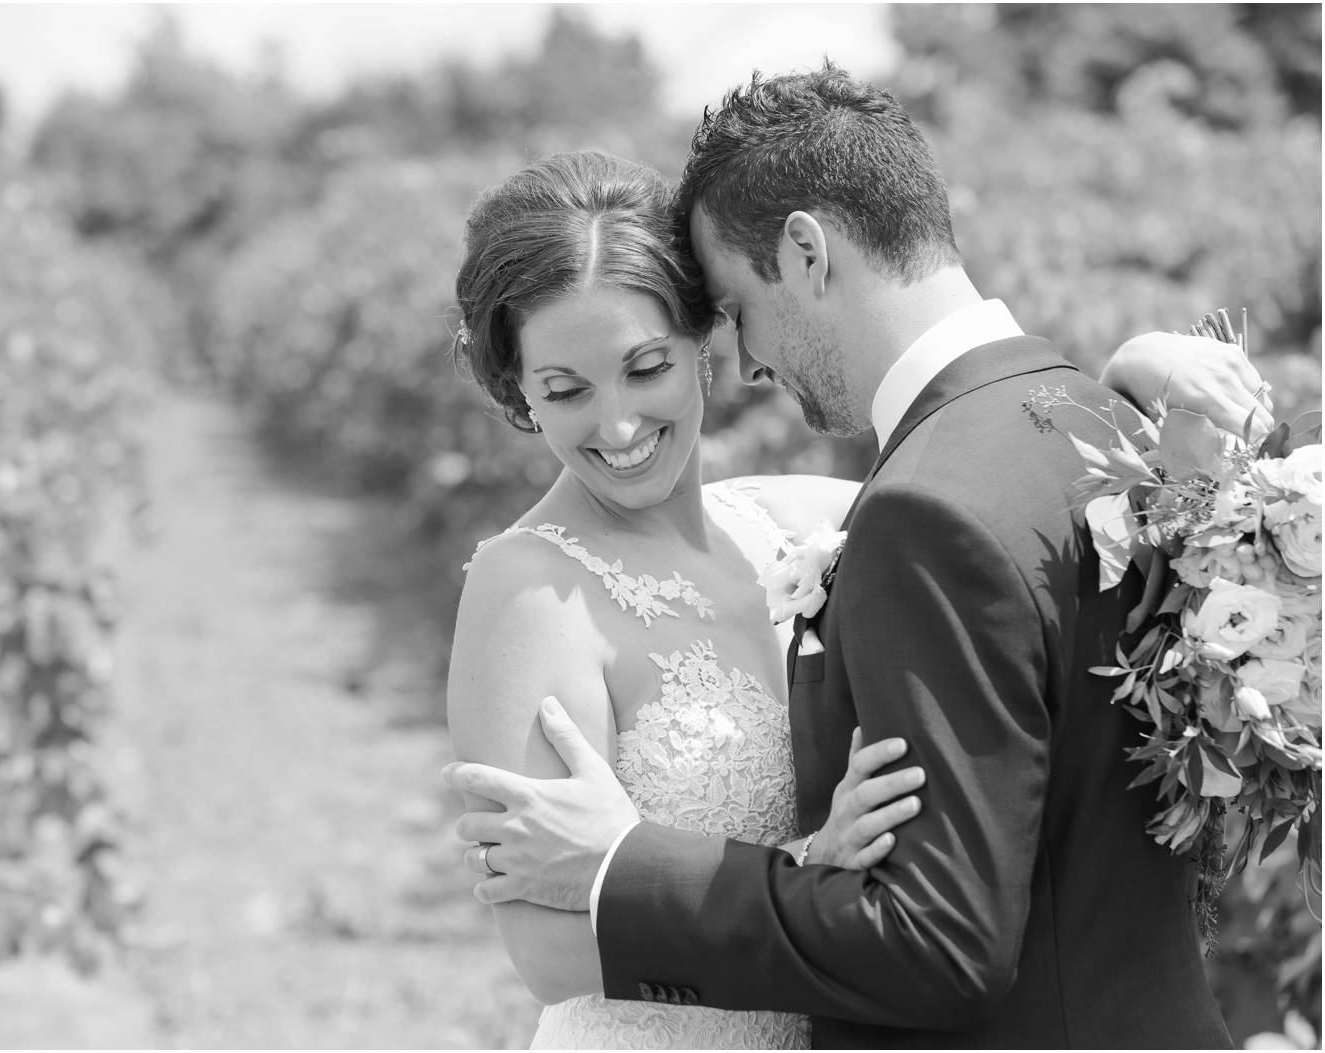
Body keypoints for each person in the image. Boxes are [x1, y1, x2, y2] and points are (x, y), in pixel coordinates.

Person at [444, 66, 1272, 1049]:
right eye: (563, 387)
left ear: (793, 259)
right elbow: (540, 948)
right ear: (520, 389)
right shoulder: (527, 584)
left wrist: (1135, 370)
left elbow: (997, 532)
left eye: (652, 363)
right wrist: (807, 863)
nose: (617, 420)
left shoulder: (819, 521)